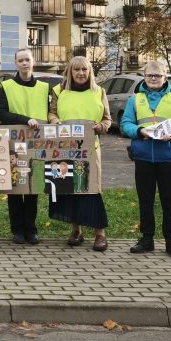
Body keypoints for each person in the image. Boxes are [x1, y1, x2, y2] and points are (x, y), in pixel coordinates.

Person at [121, 60, 171, 260]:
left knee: (169, 201)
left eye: (157, 75)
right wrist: (138, 130)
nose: (153, 79)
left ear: (165, 77)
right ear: (144, 77)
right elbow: (125, 123)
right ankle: (147, 239)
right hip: (143, 157)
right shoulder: (135, 100)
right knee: (145, 200)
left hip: (167, 158)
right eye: (150, 75)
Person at [47, 56, 112, 251]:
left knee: (92, 190)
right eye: (76, 70)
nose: (81, 73)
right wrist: (55, 122)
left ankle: (100, 234)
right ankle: (76, 230)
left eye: (84, 70)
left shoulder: (99, 92)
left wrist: (101, 126)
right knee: (70, 188)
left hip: (90, 149)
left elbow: (108, 120)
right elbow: (52, 113)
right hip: (66, 148)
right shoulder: (59, 91)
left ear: (90, 72)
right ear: (70, 72)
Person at [0, 48, 49, 245]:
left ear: (33, 61)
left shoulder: (44, 87)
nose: (25, 63)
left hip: (37, 143)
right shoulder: (7, 86)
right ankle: (17, 230)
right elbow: (2, 113)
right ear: (16, 63)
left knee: (33, 188)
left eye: (27, 59)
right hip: (13, 143)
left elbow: (51, 113)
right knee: (16, 188)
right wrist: (27, 120)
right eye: (21, 60)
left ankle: (31, 230)